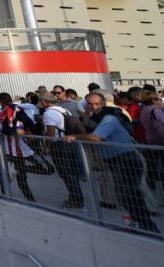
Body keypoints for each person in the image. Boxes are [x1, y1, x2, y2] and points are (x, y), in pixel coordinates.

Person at [65, 92, 158, 233]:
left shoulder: (109, 119)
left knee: (129, 194)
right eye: (90, 104)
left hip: (126, 158)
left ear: (103, 104)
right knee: (125, 195)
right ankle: (141, 224)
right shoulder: (94, 119)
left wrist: (73, 136)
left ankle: (148, 226)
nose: (93, 106)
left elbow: (96, 138)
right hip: (115, 159)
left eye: (97, 103)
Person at [40, 93, 85, 209]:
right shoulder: (63, 110)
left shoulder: (49, 113)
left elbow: (50, 132)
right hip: (69, 142)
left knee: (66, 173)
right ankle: (75, 197)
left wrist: (46, 146)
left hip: (59, 145)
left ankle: (76, 200)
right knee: (71, 173)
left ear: (45, 102)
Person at [0, 92, 38, 201]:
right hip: (23, 148)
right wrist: (32, 132)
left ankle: (6, 194)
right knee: (22, 177)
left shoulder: (1, 112)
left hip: (9, 148)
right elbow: (30, 123)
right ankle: (30, 199)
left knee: (11, 174)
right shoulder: (19, 109)